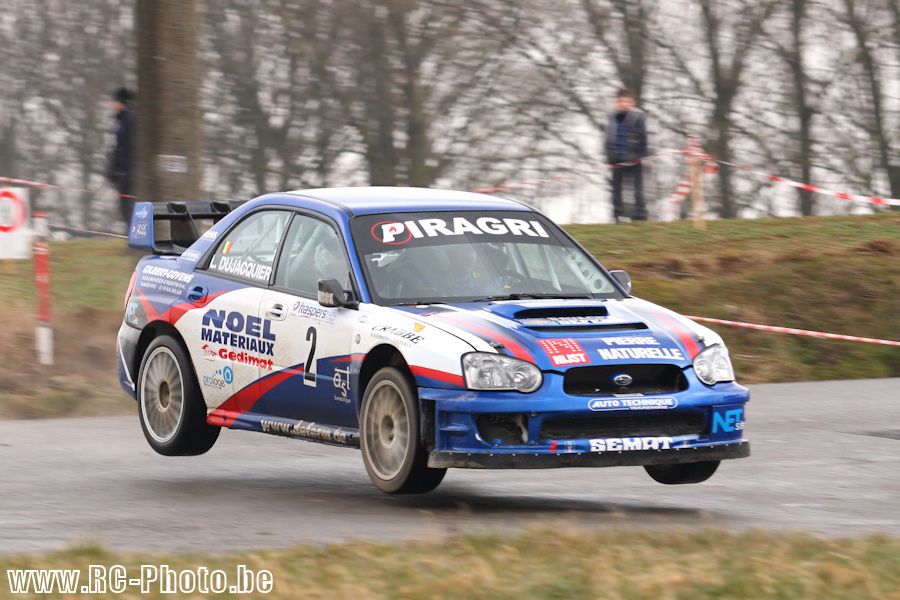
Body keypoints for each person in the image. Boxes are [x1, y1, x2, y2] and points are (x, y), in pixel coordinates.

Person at [605, 88, 648, 222]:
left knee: (638, 189)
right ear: (617, 102)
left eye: (628, 101)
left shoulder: (639, 118)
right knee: (616, 190)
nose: (625, 104)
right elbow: (608, 137)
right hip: (616, 159)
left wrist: (640, 155)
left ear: (632, 103)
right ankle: (617, 215)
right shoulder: (611, 117)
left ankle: (640, 214)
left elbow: (643, 139)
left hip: (634, 159)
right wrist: (609, 157)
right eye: (622, 101)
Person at [107, 87, 135, 227]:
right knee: (124, 208)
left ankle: (133, 234)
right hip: (122, 173)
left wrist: (122, 171)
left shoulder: (129, 120)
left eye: (114, 100)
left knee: (128, 209)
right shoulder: (122, 119)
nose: (112, 104)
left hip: (127, 174)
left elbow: (125, 148)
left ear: (121, 102)